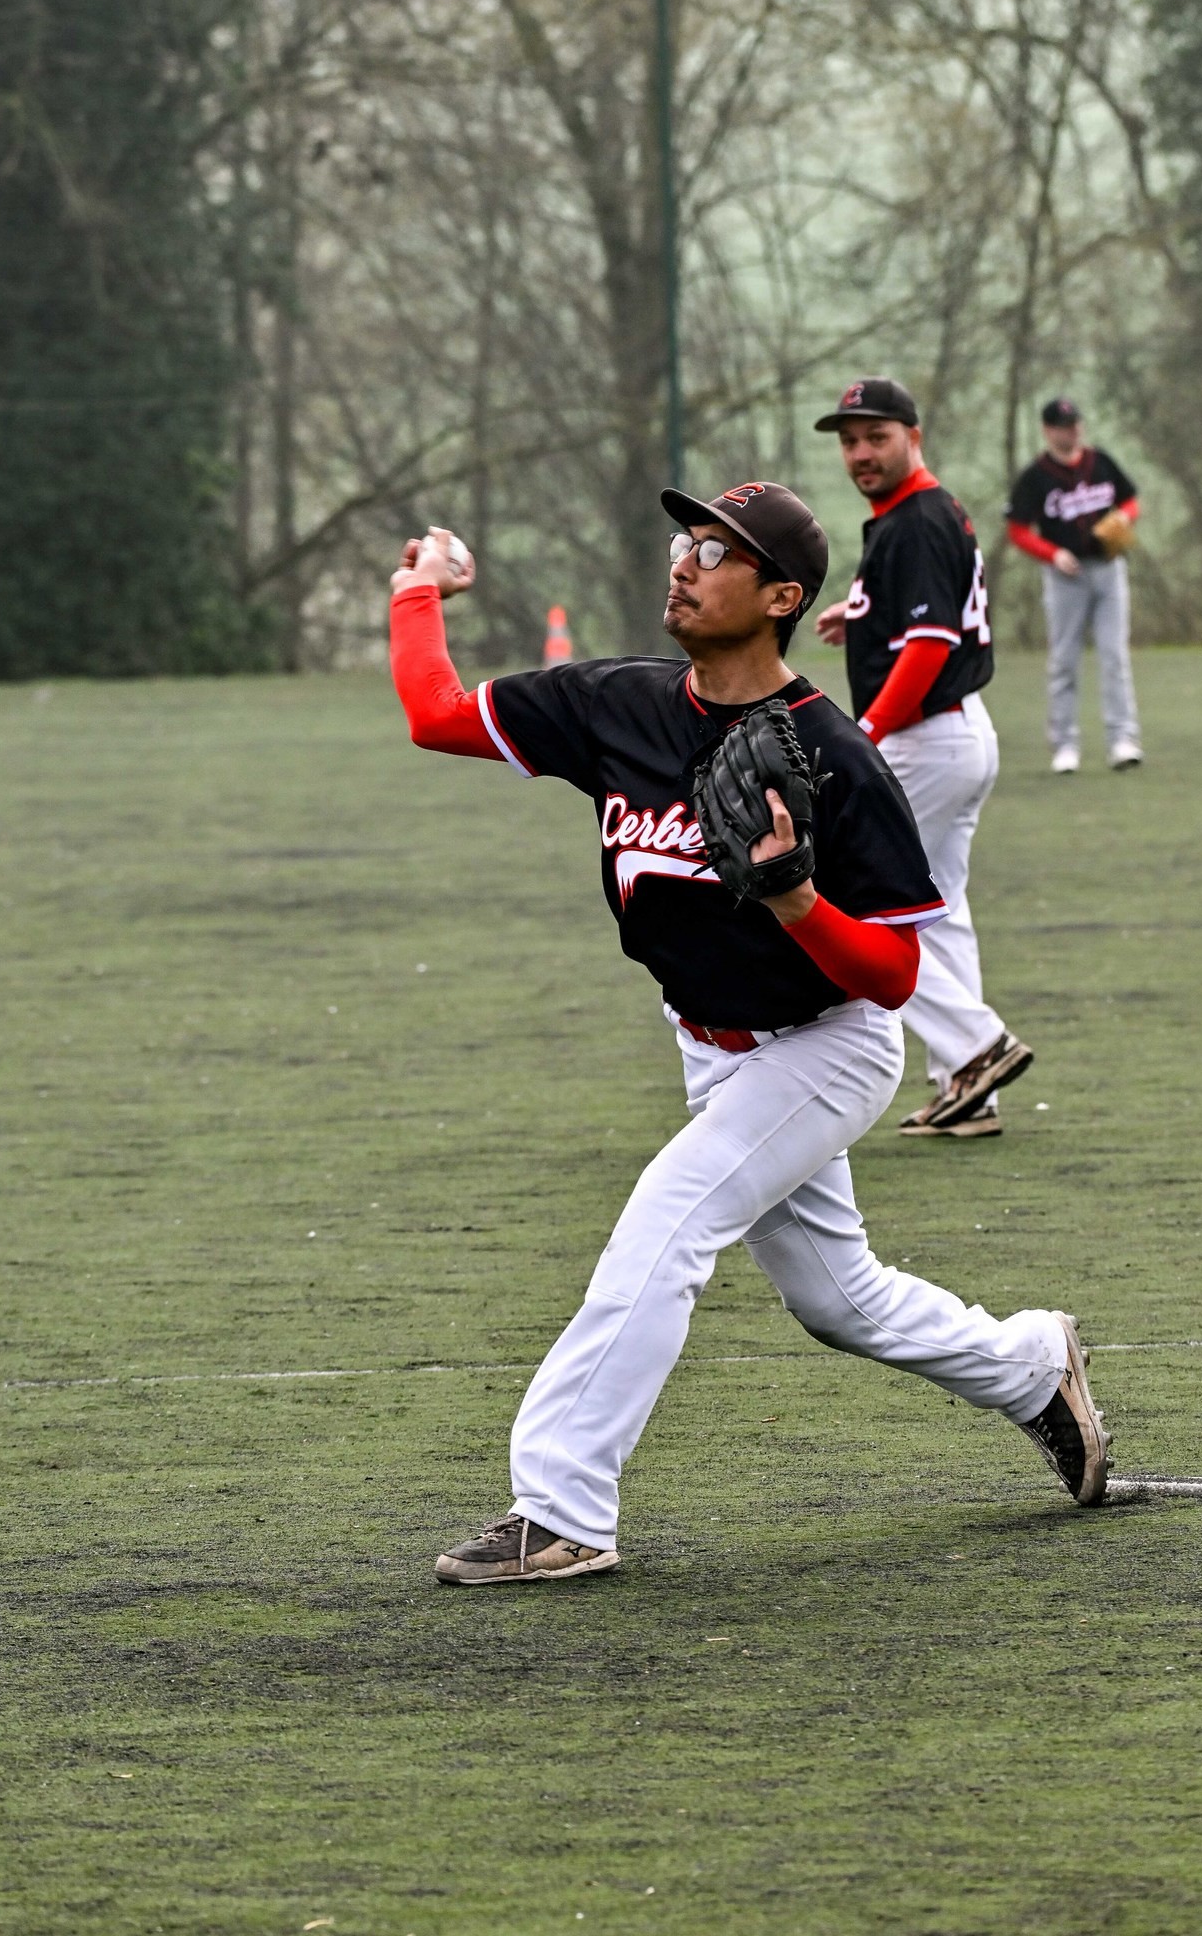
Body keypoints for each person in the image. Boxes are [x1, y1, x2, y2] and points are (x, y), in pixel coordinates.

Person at [387, 479, 1108, 1585]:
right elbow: (438, 717)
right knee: (837, 1300)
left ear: (779, 595)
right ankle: (1028, 1369)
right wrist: (417, 594)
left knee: (661, 1232)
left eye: (716, 553)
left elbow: (899, 972)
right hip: (706, 1041)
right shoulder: (613, 702)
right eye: (684, 542)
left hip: (824, 1046)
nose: (684, 563)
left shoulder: (833, 758)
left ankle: (561, 1509)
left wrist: (795, 903)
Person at [813, 378, 1032, 1140]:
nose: (861, 453)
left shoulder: (913, 521)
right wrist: (864, 616)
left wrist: (865, 732)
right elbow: (923, 619)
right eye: (849, 441)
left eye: (876, 436)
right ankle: (971, 1089)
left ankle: (977, 1042)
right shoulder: (920, 516)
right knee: (938, 914)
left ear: (914, 434)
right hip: (955, 733)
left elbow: (932, 644)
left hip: (924, 738)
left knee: (855, 905)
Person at [1006, 399, 1143, 774]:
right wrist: (1052, 554)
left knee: (1115, 656)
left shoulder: (1100, 462)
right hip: (1066, 577)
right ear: (1048, 430)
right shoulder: (1037, 476)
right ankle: (1064, 745)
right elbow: (1017, 529)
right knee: (1064, 661)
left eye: (1076, 423)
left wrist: (1122, 517)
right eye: (1064, 425)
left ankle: (1123, 740)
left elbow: (1131, 501)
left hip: (1109, 570)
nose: (1073, 430)